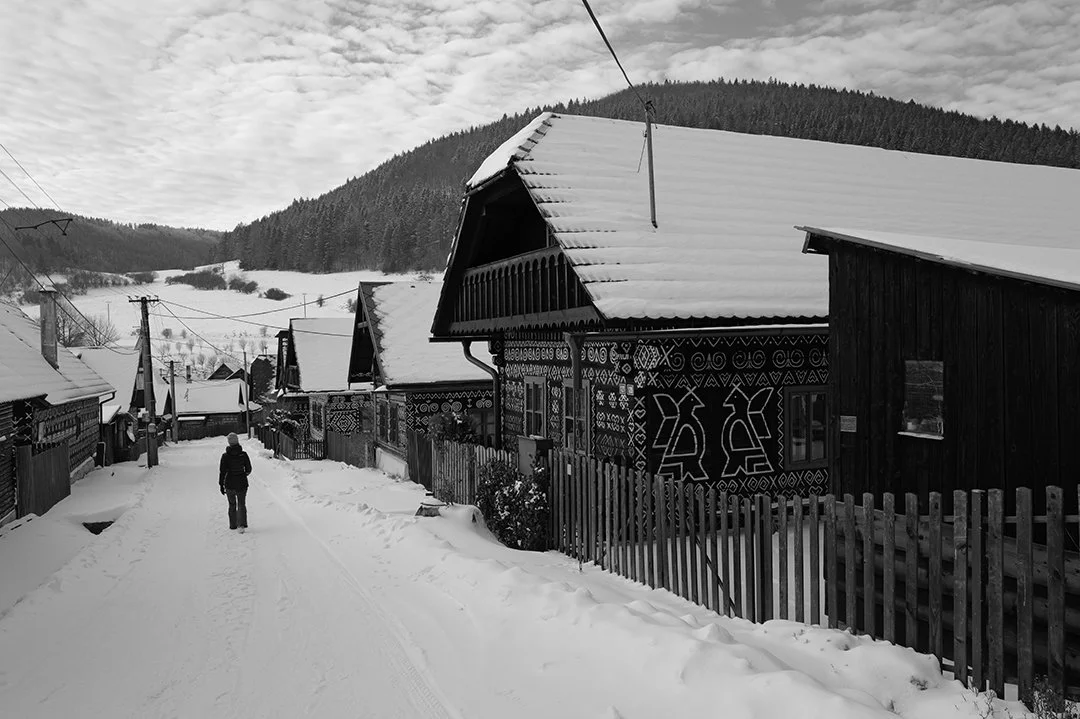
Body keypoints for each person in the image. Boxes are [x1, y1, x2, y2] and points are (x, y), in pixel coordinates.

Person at [219, 432, 252, 533]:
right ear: (237, 441)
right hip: (242, 483)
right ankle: (241, 524)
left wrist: (221, 484)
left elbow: (222, 472)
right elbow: (249, 469)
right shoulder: (243, 455)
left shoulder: (225, 456)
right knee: (241, 504)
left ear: (229, 443)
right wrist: (244, 474)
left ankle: (233, 524)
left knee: (232, 504)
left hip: (229, 484)